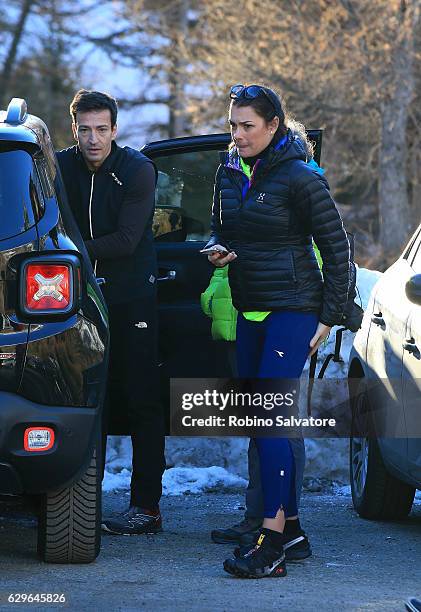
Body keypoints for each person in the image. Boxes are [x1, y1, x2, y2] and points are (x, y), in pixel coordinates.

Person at [204, 84, 350, 578]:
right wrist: (218, 249)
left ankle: (272, 542)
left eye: (247, 126)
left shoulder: (300, 176)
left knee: (270, 421)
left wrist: (330, 316)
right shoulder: (227, 169)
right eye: (233, 125)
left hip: (294, 308)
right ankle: (293, 532)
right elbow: (220, 227)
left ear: (273, 126)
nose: (238, 134)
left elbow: (337, 250)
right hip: (249, 308)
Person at [56, 89, 166, 535]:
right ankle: (81, 506)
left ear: (115, 130)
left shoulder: (137, 169)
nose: (94, 139)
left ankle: (147, 507)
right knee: (85, 399)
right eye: (85, 129)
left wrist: (65, 251)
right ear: (75, 129)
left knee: (142, 400)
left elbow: (125, 240)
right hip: (75, 299)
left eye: (102, 129)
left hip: (131, 297)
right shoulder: (59, 166)